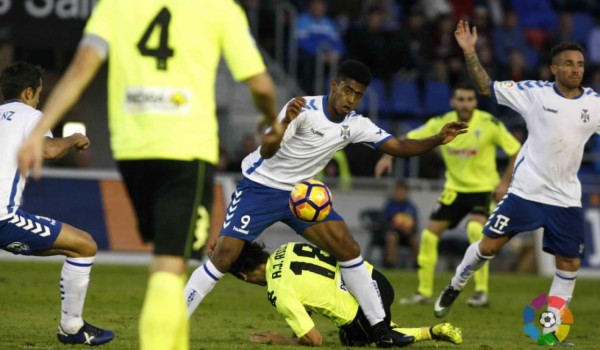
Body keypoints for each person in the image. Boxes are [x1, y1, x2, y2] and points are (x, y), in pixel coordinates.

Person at [16, 1, 278, 349]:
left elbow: (80, 70)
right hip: (186, 150)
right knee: (168, 268)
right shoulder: (219, 9)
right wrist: (270, 120)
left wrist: (40, 132)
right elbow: (261, 86)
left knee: (163, 257)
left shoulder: (115, 6)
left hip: (132, 152)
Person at [183, 59, 468, 348]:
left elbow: (399, 147)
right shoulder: (303, 109)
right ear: (333, 86)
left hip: (301, 198)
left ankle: (382, 331)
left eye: (358, 95)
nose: (351, 99)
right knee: (224, 257)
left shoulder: (355, 124)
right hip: (260, 187)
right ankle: (175, 323)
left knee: (349, 249)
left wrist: (437, 139)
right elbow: (268, 151)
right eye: (347, 90)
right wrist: (282, 125)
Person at [434, 21, 600, 347]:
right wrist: (469, 51)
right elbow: (485, 87)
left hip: (566, 197)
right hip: (526, 191)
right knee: (489, 247)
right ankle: (457, 281)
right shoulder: (533, 94)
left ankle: (550, 332)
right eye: (568, 63)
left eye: (580, 64)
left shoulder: (594, 103)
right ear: (554, 68)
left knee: (569, 263)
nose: (575, 69)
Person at [376, 83, 521, 307]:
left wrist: (503, 183)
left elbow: (516, 150)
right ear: (453, 102)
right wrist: (388, 156)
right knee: (428, 236)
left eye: (469, 99)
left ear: (475, 102)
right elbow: (408, 138)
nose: (465, 104)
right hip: (454, 190)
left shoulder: (489, 123)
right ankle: (423, 293)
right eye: (460, 100)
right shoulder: (441, 123)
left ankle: (480, 292)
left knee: (475, 231)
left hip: (483, 190)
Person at [0, 61, 113, 345]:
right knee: (84, 246)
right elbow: (49, 150)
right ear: (28, 93)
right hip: (3, 218)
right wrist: (74, 138)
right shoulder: (31, 115)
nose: (39, 99)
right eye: (38, 93)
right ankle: (72, 327)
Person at [229, 241, 463, 347]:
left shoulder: (277, 291)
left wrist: (284, 340)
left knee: (352, 339)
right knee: (380, 324)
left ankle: (430, 332)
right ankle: (417, 330)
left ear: (244, 276)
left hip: (358, 316)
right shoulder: (287, 247)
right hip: (375, 281)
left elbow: (315, 340)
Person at [381, 181, 419, 268]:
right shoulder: (389, 205)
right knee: (392, 238)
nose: (400, 193)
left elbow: (415, 223)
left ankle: (416, 265)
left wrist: (410, 230)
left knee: (416, 240)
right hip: (393, 232)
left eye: (403, 191)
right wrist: (395, 227)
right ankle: (390, 264)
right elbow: (384, 222)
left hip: (407, 234)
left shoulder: (411, 207)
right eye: (398, 191)